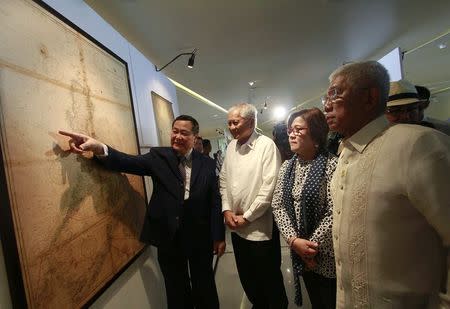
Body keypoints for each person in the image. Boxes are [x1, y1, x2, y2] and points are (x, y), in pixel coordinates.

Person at [59, 115, 225, 309]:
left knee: (204, 285)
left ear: (195, 137)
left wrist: (219, 236)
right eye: (175, 131)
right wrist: (98, 147)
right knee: (176, 289)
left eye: (184, 133)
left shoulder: (208, 164)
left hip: (199, 236)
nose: (177, 136)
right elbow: (126, 162)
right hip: (169, 237)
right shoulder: (158, 157)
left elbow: (215, 202)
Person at [323, 60, 450, 308]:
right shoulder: (345, 155)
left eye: (336, 94)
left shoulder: (418, 144)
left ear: (370, 97)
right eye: (326, 97)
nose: (327, 105)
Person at [220, 103, 288, 309]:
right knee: (248, 280)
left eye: (235, 122)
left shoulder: (266, 146)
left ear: (250, 122)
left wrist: (247, 216)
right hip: (236, 229)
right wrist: (227, 209)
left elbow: (269, 188)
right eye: (229, 123)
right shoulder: (231, 147)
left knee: (270, 282)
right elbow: (223, 180)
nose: (231, 127)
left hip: (260, 231)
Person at [272, 108, 337, 308]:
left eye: (298, 129)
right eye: (290, 129)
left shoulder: (332, 165)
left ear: (315, 133)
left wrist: (310, 247)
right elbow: (278, 204)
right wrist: (294, 241)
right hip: (299, 249)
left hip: (327, 254)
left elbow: (335, 212)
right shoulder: (288, 167)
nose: (291, 134)